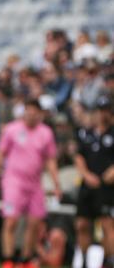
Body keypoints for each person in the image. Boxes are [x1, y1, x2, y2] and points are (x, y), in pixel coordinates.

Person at [0, 99, 62, 268]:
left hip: (35, 183)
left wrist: (57, 184)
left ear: (40, 114)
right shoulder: (12, 130)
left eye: (34, 111)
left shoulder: (46, 133)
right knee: (11, 220)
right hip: (14, 181)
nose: (31, 114)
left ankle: (26, 260)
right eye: (28, 111)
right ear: (24, 112)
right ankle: (8, 259)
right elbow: (0, 155)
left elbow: (50, 160)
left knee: (34, 223)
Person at [73, 96, 114, 268]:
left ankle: (108, 261)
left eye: (105, 110)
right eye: (99, 110)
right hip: (88, 186)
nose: (101, 114)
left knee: (107, 224)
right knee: (82, 223)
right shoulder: (86, 133)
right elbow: (79, 156)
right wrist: (86, 175)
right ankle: (83, 259)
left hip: (107, 187)